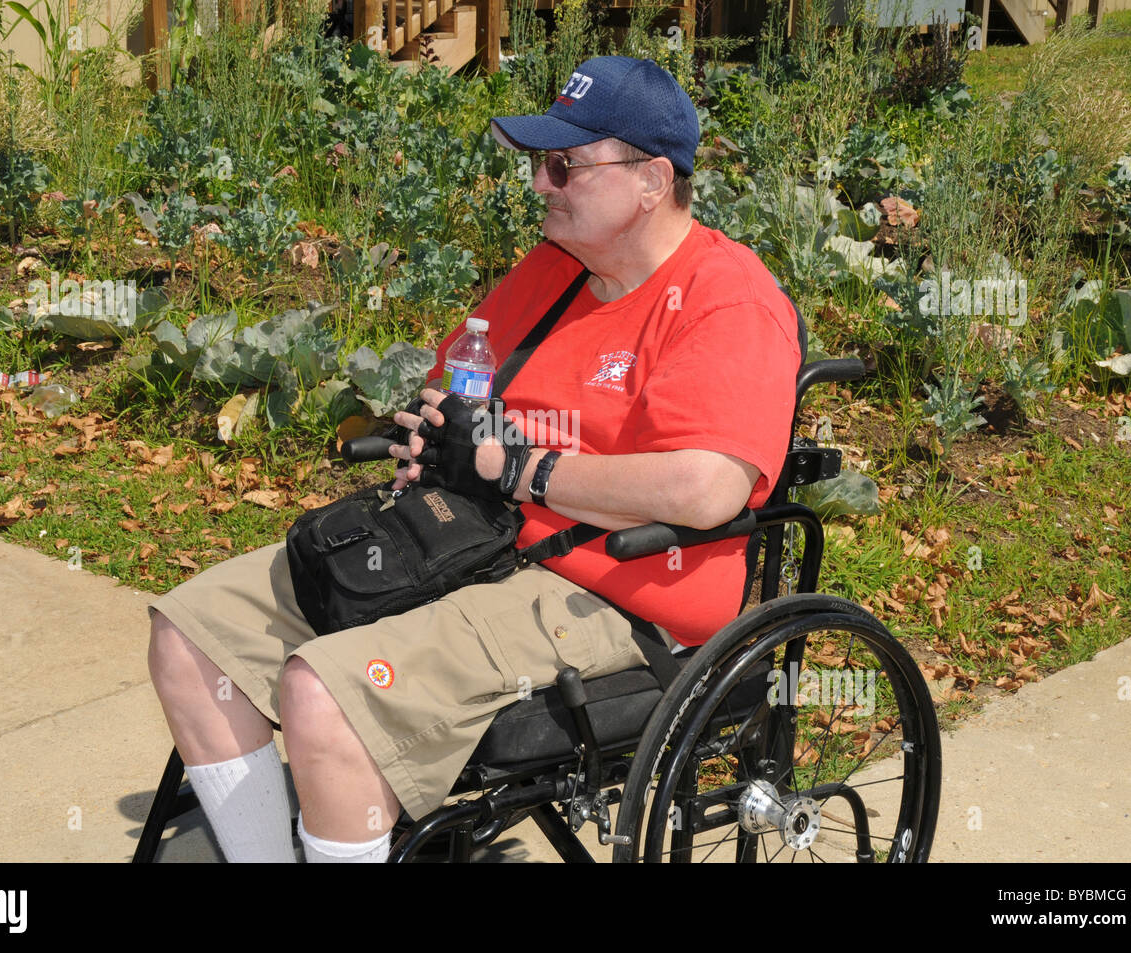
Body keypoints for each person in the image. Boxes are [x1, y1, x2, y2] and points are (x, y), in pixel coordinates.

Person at [146, 55, 802, 863]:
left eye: (564, 165)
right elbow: (455, 388)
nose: (540, 185)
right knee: (192, 634)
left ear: (652, 180)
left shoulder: (725, 299)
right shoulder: (555, 273)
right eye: (537, 163)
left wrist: (522, 468)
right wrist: (435, 432)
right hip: (478, 542)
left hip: (619, 592)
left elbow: (705, 486)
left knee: (322, 696)